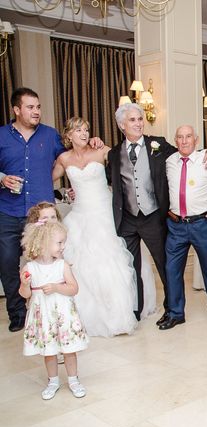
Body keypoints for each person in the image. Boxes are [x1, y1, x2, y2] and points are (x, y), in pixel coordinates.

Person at [0, 87, 101, 332]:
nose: (36, 112)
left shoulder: (50, 135)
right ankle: (17, 314)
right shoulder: (1, 135)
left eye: (38, 107)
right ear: (16, 110)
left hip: (43, 214)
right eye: (30, 107)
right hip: (9, 211)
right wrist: (1, 178)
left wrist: (91, 146)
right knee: (8, 263)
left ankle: (52, 309)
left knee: (51, 262)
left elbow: (70, 159)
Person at [106, 103, 207, 326]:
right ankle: (134, 310)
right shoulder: (113, 153)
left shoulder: (158, 144)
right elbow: (111, 180)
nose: (138, 123)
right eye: (133, 120)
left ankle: (172, 310)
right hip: (127, 219)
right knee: (130, 267)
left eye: (140, 119)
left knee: (166, 266)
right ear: (121, 125)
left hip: (153, 217)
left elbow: (186, 153)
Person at [52, 117, 138, 337]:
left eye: (87, 129)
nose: (84, 133)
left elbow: (129, 160)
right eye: (78, 130)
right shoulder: (63, 158)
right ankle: (85, 316)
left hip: (104, 214)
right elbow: (47, 180)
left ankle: (117, 315)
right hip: (80, 216)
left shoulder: (101, 151)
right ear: (68, 135)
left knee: (109, 263)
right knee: (81, 265)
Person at [162, 125, 207, 330]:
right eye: (180, 137)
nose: (184, 141)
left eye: (188, 136)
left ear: (196, 140)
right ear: (175, 140)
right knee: (172, 270)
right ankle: (175, 313)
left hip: (202, 222)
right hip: (176, 225)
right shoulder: (169, 161)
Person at [20, 221, 89, 400]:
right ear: (44, 243)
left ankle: (73, 379)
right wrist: (25, 284)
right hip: (43, 317)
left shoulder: (62, 265)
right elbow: (25, 294)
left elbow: (74, 288)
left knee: (69, 350)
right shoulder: (30, 268)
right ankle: (53, 381)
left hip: (63, 316)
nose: (63, 246)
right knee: (49, 352)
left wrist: (57, 288)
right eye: (59, 243)